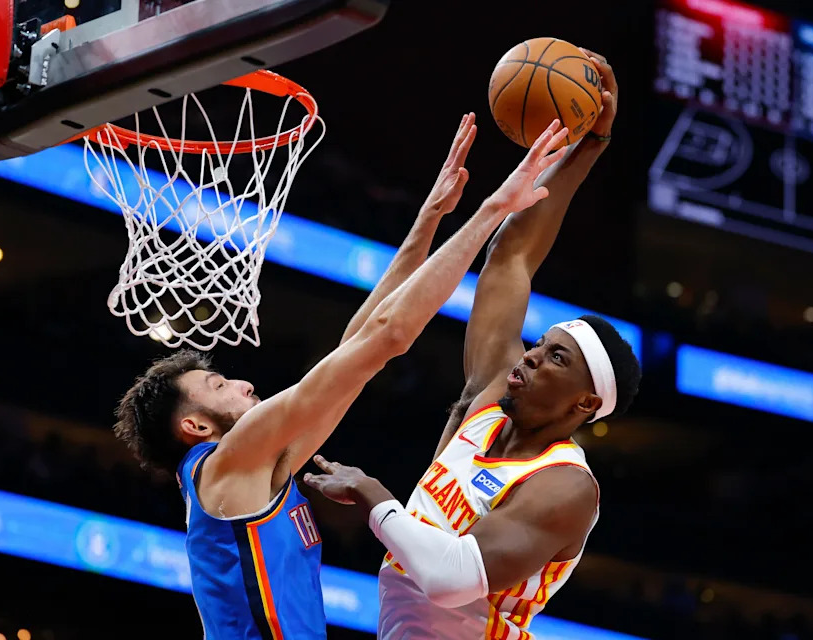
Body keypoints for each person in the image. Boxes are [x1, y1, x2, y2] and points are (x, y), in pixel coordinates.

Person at [112, 113, 571, 639]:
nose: (241, 384)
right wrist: (493, 209)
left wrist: (428, 219)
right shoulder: (227, 463)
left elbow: (356, 347)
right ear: (195, 427)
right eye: (218, 387)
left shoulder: (256, 468)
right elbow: (387, 338)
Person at [303, 51, 641, 640]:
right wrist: (589, 146)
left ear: (585, 404)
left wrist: (369, 492)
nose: (531, 355)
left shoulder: (566, 485)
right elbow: (510, 257)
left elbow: (452, 577)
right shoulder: (489, 402)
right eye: (540, 344)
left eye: (556, 358)